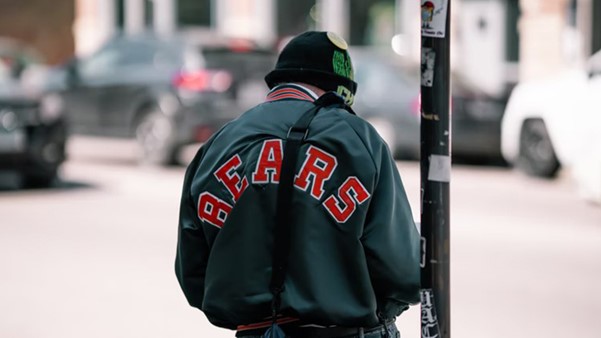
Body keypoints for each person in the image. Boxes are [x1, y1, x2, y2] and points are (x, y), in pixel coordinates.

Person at [175, 30, 420, 338]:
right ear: (340, 91)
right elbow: (402, 272)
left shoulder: (218, 144)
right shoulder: (359, 139)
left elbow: (193, 272)